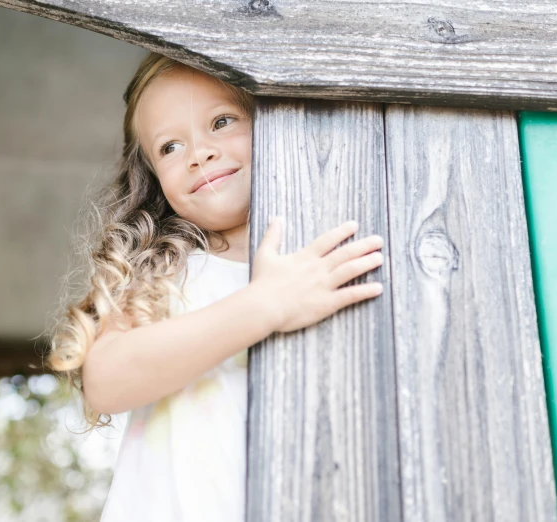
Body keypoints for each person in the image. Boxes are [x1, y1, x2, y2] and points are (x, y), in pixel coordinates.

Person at [46, 52, 385, 521]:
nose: (199, 153)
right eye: (169, 147)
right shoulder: (165, 273)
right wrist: (264, 306)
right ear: (152, 179)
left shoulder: (326, 259)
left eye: (222, 121)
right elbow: (105, 381)